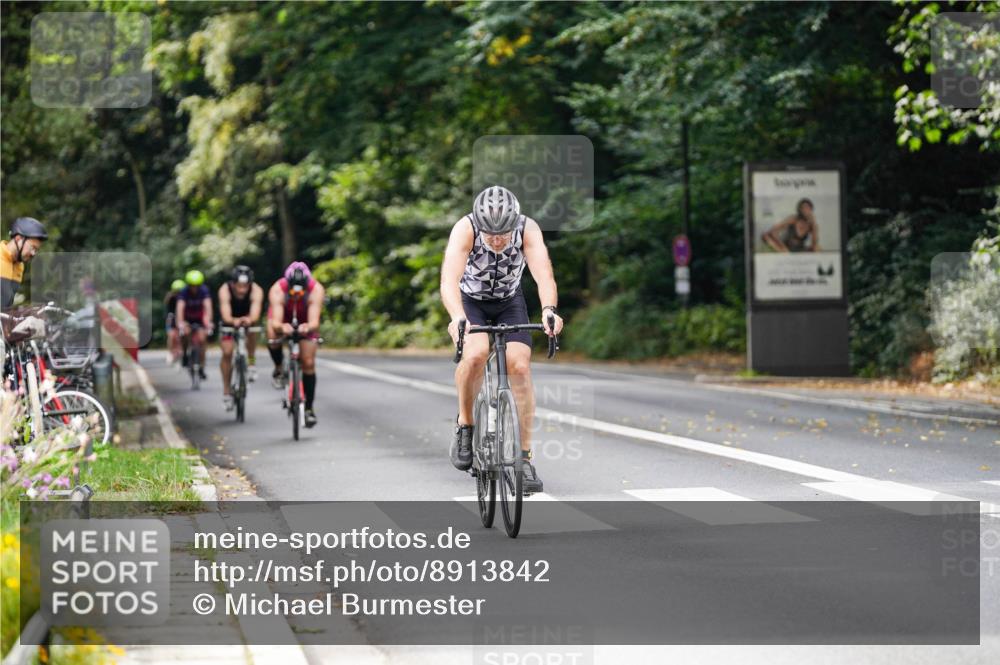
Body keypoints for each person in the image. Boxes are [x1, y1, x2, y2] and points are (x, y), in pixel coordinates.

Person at [440, 185, 564, 494]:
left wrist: (549, 310)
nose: (497, 241)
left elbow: (544, 276)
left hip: (510, 301)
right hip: (471, 302)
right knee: (475, 354)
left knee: (519, 366)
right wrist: (457, 316)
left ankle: (524, 458)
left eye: (503, 234)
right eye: (490, 235)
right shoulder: (465, 229)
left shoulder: (527, 229)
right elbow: (449, 280)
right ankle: (465, 425)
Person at [267, 261, 324, 428]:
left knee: (308, 362)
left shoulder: (316, 289)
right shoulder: (278, 289)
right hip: (283, 317)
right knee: (272, 337)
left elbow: (314, 322)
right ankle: (279, 367)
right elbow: (276, 322)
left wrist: (307, 327)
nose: (297, 294)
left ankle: (309, 408)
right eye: (293, 290)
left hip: (306, 318)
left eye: (300, 290)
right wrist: (282, 327)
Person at [218, 265, 264, 410]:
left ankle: (251, 362)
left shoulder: (256, 290)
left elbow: (255, 313)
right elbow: (226, 314)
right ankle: (226, 391)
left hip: (247, 319)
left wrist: (249, 320)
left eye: (245, 286)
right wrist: (233, 321)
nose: (242, 290)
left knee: (252, 331)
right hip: (229, 322)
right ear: (233, 283)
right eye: (239, 286)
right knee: (227, 353)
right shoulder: (224, 290)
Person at [1, 217, 48, 311]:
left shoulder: (20, 266)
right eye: (32, 247)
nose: (33, 253)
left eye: (36, 250)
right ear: (18, 239)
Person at [176, 269, 213, 380]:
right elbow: (180, 308)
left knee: (202, 340)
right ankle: (185, 354)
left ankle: (202, 366)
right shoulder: (184, 292)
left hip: (200, 319)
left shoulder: (204, 291)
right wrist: (181, 323)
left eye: (197, 286)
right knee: (185, 333)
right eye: (192, 285)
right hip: (187, 318)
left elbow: (208, 306)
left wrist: (208, 322)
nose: (194, 288)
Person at [164, 278, 186, 366]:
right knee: (172, 336)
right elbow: (168, 309)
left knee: (181, 335)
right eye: (177, 292)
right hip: (172, 318)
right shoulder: (170, 298)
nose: (178, 294)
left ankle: (181, 351)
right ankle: (170, 352)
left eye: (180, 292)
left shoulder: (185, 297)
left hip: (182, 318)